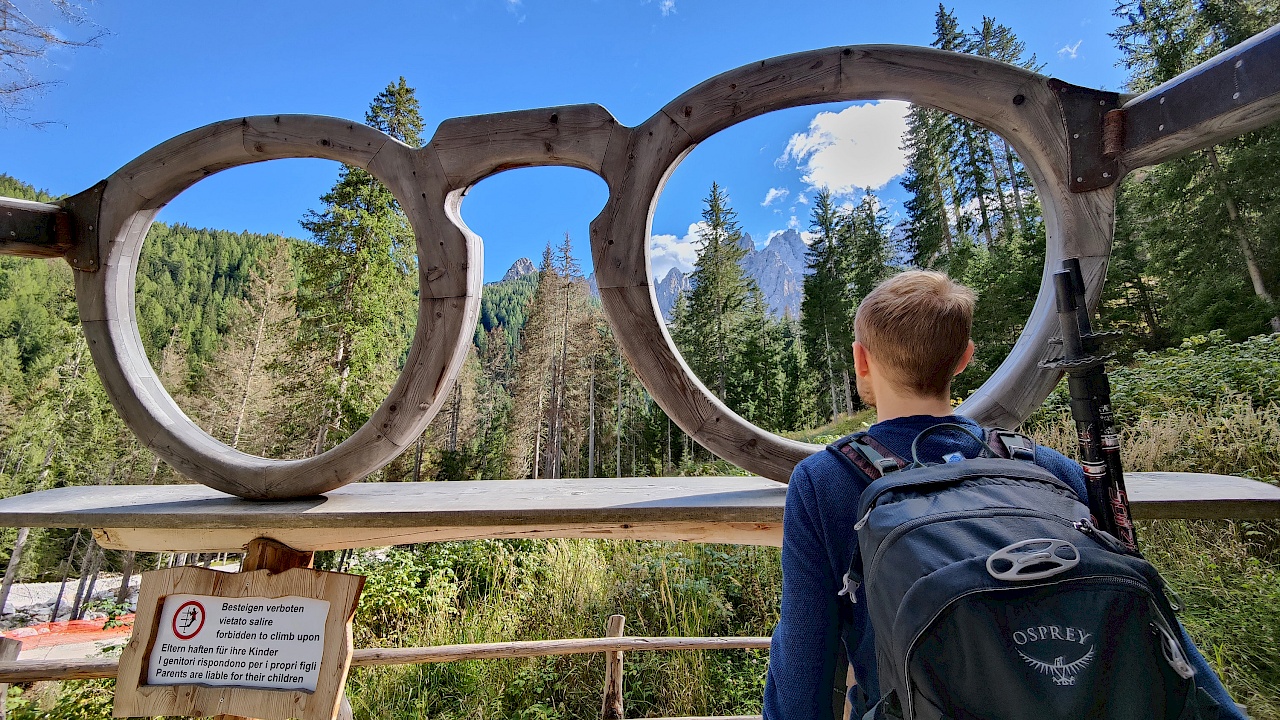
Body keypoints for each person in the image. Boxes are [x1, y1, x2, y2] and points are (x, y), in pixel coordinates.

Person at [761, 270, 1244, 720]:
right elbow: (1158, 630)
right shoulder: (1045, 466)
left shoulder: (824, 479)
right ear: (965, 357)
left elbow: (805, 651)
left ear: (861, 359)